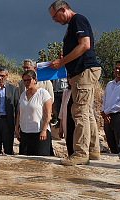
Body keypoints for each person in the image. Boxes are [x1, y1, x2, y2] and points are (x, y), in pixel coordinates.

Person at [48, 1, 102, 165]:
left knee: (79, 112)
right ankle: (93, 150)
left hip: (84, 72)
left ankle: (80, 153)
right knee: (86, 112)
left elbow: (85, 45)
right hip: (82, 73)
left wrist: (62, 61)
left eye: (55, 17)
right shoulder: (73, 24)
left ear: (62, 9)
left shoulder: (78, 20)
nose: (55, 21)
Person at [15, 70, 53, 156]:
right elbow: (19, 113)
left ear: (35, 79)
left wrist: (44, 130)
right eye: (24, 80)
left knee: (40, 162)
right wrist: (17, 128)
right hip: (25, 133)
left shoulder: (43, 93)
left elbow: (48, 113)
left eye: (29, 80)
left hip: (39, 133)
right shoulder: (23, 95)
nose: (26, 82)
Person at [52, 51, 68, 127]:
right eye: (60, 55)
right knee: (56, 108)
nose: (61, 57)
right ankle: (59, 123)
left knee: (64, 109)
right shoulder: (55, 66)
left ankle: (64, 124)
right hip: (55, 90)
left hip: (64, 90)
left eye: (63, 55)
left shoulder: (68, 66)